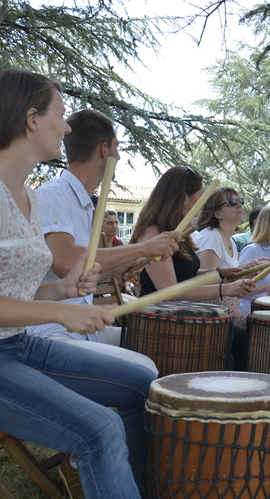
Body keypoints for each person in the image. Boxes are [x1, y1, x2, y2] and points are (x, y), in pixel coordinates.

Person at [0, 67, 155, 499]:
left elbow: (13, 285)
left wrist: (63, 288)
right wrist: (57, 309)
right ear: (32, 119)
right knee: (98, 428)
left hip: (12, 344)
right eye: (61, 114)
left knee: (142, 386)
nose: (67, 127)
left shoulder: (27, 195)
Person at [29, 109, 178, 345]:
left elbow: (77, 270)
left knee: (152, 342)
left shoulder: (83, 203)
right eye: (116, 148)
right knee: (142, 369)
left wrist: (113, 271)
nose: (118, 157)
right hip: (52, 334)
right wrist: (144, 249)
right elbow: (65, 263)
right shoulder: (55, 194)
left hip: (80, 330)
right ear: (104, 149)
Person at [129, 166, 256, 370]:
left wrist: (220, 274)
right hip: (159, 317)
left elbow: (183, 275)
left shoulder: (178, 230)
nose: (201, 202)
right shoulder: (154, 232)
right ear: (183, 197)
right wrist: (225, 289)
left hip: (177, 311)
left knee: (245, 338)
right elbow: (170, 291)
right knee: (232, 343)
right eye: (198, 196)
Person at [193, 186, 267, 326]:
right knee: (264, 325)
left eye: (240, 200)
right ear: (218, 214)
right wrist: (243, 276)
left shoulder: (230, 240)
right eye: (232, 203)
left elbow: (226, 281)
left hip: (228, 309)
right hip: (215, 315)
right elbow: (208, 286)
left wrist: (245, 273)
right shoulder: (211, 237)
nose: (239, 205)